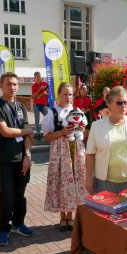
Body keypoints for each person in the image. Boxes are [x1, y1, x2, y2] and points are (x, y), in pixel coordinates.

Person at [0, 72, 35, 246]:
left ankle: (18, 223)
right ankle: (4, 228)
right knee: (6, 196)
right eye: (9, 84)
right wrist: (27, 131)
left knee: (20, 195)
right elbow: (5, 131)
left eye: (15, 84)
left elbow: (27, 134)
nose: (13, 87)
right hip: (6, 159)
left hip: (22, 159)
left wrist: (27, 155)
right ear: (1, 86)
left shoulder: (21, 106)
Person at [85, 86, 127, 194]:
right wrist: (88, 178)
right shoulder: (96, 126)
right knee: (104, 211)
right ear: (109, 104)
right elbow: (90, 155)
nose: (124, 106)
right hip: (103, 182)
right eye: (119, 103)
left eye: (125, 102)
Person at [42, 82, 88, 231]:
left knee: (75, 179)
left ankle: (71, 215)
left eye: (70, 94)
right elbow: (47, 136)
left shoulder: (77, 110)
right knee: (62, 180)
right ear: (58, 94)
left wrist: (82, 128)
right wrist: (62, 133)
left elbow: (84, 130)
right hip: (60, 151)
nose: (68, 97)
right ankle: (63, 216)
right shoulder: (52, 112)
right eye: (65, 94)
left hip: (76, 148)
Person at [30, 71, 49, 140]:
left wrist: (40, 95)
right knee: (37, 120)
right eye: (36, 77)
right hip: (36, 105)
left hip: (44, 105)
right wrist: (39, 90)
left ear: (41, 77)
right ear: (34, 78)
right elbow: (33, 96)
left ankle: (48, 132)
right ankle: (38, 134)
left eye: (39, 76)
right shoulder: (34, 86)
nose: (38, 78)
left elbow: (46, 92)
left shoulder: (45, 83)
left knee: (48, 118)